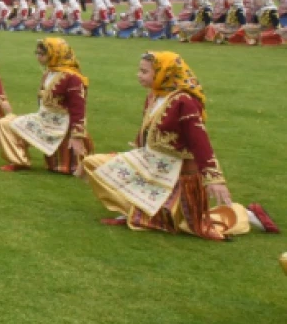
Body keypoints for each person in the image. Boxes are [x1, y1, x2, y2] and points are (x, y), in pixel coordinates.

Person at [83, 52, 257, 239]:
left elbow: (199, 140)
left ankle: (245, 215)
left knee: (187, 225)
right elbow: (146, 129)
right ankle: (135, 210)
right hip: (150, 161)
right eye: (139, 70)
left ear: (163, 73)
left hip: (176, 170)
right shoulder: (154, 96)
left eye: (144, 71)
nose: (138, 75)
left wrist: (214, 177)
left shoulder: (184, 102)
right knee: (95, 164)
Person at [0, 38, 92, 174]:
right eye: (37, 53)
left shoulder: (73, 78)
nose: (38, 57)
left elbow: (78, 108)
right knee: (4, 124)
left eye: (42, 54)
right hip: (43, 118)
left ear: (55, 54)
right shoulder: (49, 73)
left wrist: (77, 135)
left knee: (65, 169)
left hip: (60, 124)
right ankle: (19, 161)